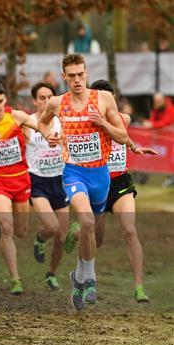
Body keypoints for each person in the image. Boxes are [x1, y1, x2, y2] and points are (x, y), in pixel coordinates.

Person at [38, 53, 130, 310]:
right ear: (64, 76)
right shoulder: (57, 103)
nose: (77, 80)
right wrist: (49, 136)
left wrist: (103, 123)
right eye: (72, 75)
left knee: (91, 232)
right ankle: (90, 279)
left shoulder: (103, 98)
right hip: (73, 172)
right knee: (86, 222)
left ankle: (78, 277)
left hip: (100, 174)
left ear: (86, 73)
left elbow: (122, 136)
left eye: (81, 74)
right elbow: (42, 123)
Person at [91, 79, 157, 303]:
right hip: (97, 183)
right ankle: (78, 233)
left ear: (114, 99)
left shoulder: (124, 119)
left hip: (120, 183)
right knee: (96, 240)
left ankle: (139, 287)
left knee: (130, 230)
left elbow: (122, 135)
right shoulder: (86, 122)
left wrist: (134, 147)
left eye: (108, 97)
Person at [0, 81, 40, 295]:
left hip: (21, 181)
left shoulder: (16, 116)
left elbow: (41, 126)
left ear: (5, 100)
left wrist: (52, 135)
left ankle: (7, 229)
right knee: (6, 226)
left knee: (22, 231)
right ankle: (16, 279)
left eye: (0, 101)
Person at [26, 82, 69, 291]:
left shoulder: (61, 122)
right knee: (51, 227)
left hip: (60, 180)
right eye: (41, 97)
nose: (45, 101)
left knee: (62, 235)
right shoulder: (29, 122)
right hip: (38, 181)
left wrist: (62, 143)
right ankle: (40, 238)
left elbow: (71, 145)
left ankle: (51, 274)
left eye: (49, 97)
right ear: (34, 100)